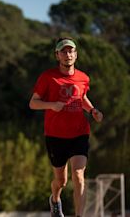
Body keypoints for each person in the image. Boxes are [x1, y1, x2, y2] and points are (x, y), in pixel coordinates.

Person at [29, 37, 103, 217]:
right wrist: (52, 105)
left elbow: (82, 98)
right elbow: (33, 103)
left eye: (71, 51)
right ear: (57, 55)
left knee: (78, 175)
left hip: (79, 133)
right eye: (64, 51)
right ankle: (55, 199)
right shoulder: (48, 77)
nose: (68, 54)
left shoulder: (83, 78)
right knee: (60, 181)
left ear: (76, 55)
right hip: (55, 135)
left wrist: (92, 110)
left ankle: (79, 215)